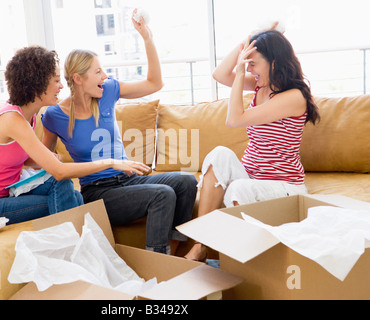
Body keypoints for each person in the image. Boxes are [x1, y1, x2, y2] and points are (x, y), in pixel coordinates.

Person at [41, 10, 198, 254]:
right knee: (162, 194)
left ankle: (175, 252)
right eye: (98, 72)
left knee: (187, 181)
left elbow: (154, 83)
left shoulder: (107, 92)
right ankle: (157, 259)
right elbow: (44, 158)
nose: (105, 76)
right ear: (78, 79)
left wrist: (147, 38)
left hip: (129, 179)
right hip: (98, 191)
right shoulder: (54, 116)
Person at [0, 46, 149, 225]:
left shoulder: (29, 117)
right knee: (62, 195)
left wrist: (47, 158)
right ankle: (76, 251)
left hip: (6, 192)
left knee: (74, 195)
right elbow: (59, 172)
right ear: (37, 84)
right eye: (56, 81)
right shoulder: (13, 120)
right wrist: (110, 162)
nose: (61, 86)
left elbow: (20, 158)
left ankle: (83, 249)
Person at [184, 24, 321, 261]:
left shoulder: (294, 96)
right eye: (248, 64)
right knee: (219, 154)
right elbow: (219, 74)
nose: (250, 69)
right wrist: (251, 40)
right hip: (251, 174)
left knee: (237, 188)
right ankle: (200, 244)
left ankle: (244, 263)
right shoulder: (261, 85)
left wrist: (239, 73)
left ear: (274, 63)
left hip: (283, 186)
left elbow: (235, 119)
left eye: (254, 63)